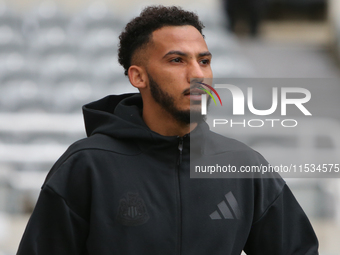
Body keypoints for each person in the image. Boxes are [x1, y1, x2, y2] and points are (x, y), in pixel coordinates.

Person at [17, 5, 318, 255]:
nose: (197, 74)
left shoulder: (244, 166)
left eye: (204, 61)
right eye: (177, 60)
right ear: (138, 76)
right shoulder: (87, 165)